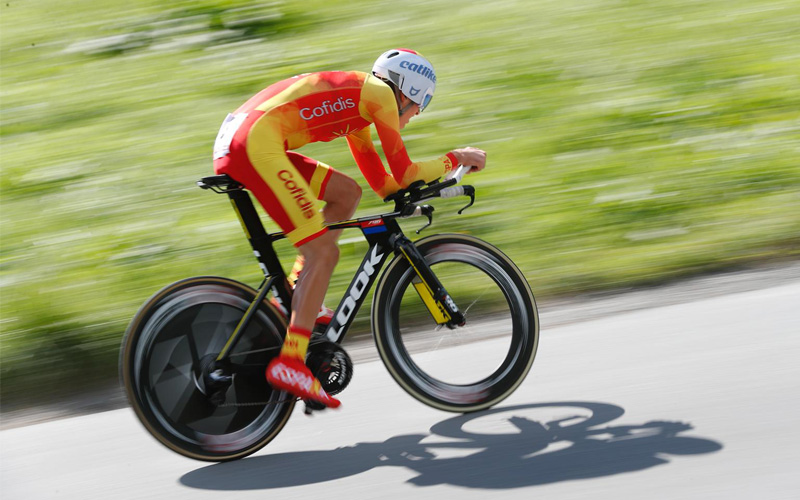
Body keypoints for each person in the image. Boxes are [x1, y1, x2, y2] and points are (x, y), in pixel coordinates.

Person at [212, 48, 487, 408]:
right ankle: (292, 360)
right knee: (323, 252)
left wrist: (410, 194)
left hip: (247, 137)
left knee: (346, 194)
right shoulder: (381, 96)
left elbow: (384, 182)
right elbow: (404, 172)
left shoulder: (363, 100)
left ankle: (298, 291)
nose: (417, 114)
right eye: (422, 104)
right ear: (408, 93)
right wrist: (457, 158)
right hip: (255, 144)